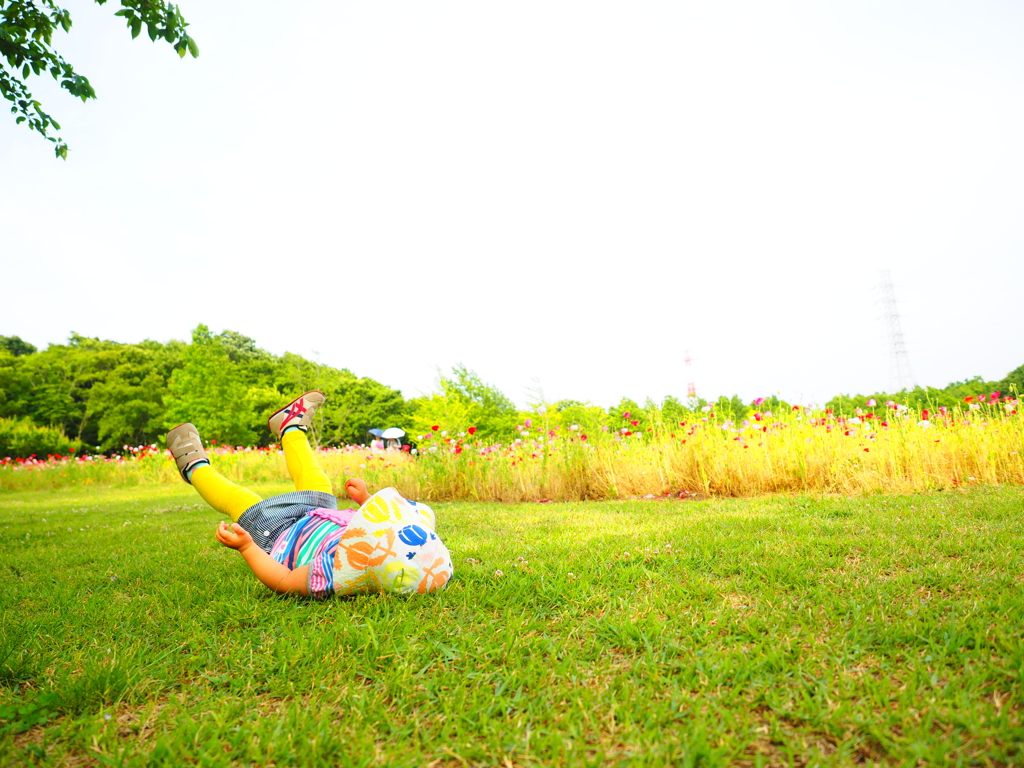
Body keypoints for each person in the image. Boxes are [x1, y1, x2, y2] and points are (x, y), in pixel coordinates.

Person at [165, 391, 453, 599]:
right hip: (322, 512)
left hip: (278, 535)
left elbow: (285, 580)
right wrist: (367, 500)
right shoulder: (396, 528)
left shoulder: (338, 569)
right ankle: (290, 427)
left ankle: (193, 465)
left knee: (239, 498)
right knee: (317, 478)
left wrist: (247, 547)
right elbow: (390, 514)